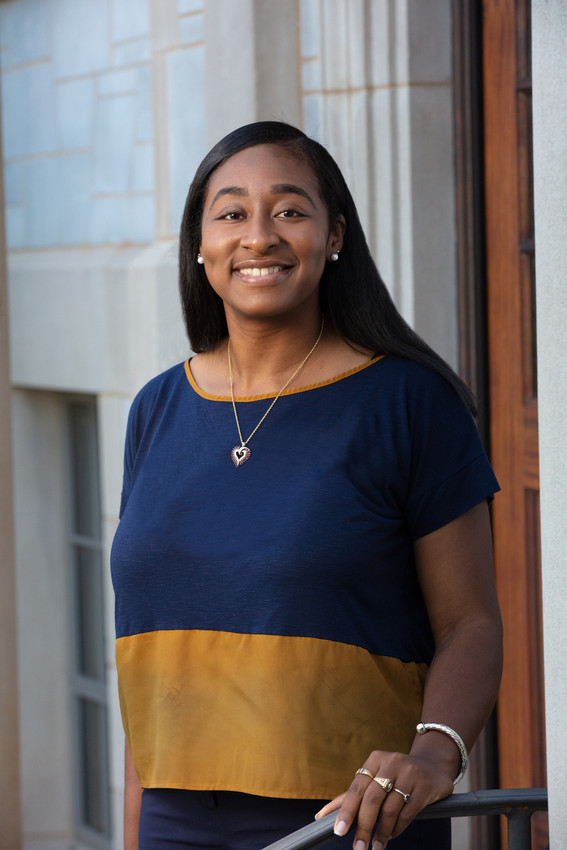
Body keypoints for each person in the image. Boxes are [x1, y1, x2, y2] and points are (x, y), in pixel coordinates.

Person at [111, 121, 503, 850]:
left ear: (334, 237)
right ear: (200, 246)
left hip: (347, 822)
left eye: (289, 210)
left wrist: (431, 754)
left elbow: (469, 623)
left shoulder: (408, 402)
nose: (258, 235)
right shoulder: (157, 409)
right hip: (173, 820)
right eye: (230, 213)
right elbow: (147, 649)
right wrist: (133, 829)